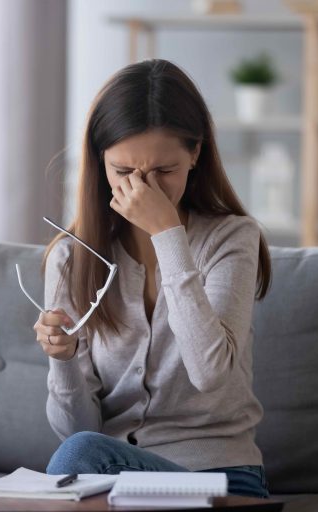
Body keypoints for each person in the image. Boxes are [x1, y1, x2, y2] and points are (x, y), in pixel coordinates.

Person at [31, 59, 272, 499]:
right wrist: (62, 359)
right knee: (79, 451)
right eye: (123, 172)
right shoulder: (72, 257)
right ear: (99, 161)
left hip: (220, 478)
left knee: (78, 457)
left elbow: (210, 374)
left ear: (195, 154)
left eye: (165, 171)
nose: (147, 189)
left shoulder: (232, 238)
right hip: (114, 479)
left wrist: (167, 234)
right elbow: (77, 431)